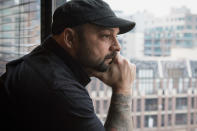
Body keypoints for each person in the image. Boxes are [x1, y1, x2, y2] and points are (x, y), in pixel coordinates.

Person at [1, 0, 136, 130]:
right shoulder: (60, 90)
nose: (117, 47)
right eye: (106, 36)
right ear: (69, 38)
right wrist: (123, 89)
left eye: (116, 36)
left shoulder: (41, 62)